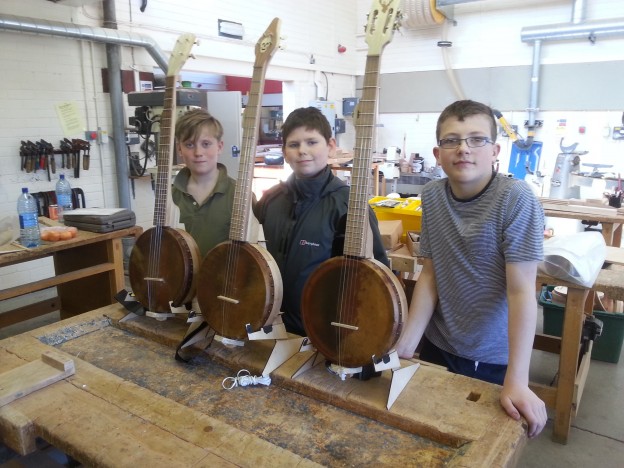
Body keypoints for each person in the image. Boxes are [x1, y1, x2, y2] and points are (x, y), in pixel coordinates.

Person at [395, 99, 548, 439]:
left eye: (476, 139)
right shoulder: (433, 195)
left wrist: (518, 380)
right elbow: (430, 275)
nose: (463, 149)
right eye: (452, 140)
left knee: (474, 443)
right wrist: (407, 343)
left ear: (495, 150)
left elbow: (522, 291)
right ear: (437, 154)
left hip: (491, 355)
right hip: (439, 343)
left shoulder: (516, 199)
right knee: (424, 434)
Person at [254, 106, 389, 337]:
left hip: (321, 335)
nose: (302, 151)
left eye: (311, 142)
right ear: (285, 152)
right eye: (294, 145)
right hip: (266, 326)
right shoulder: (271, 200)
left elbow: (375, 278)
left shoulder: (350, 206)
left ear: (330, 146)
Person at [172, 108, 236, 257]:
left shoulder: (240, 195)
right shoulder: (170, 197)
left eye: (206, 144)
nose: (198, 152)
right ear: (179, 149)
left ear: (219, 147)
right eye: (189, 145)